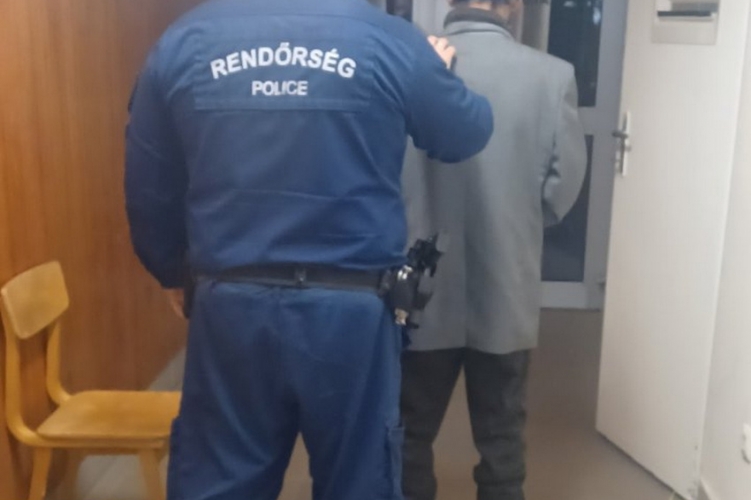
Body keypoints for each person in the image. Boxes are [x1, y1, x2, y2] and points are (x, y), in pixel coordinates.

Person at [124, 0, 493, 499]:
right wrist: (439, 72)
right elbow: (465, 133)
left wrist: (170, 268)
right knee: (358, 483)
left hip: (231, 308)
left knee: (220, 480)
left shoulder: (185, 42)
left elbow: (148, 181)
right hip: (351, 312)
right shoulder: (388, 42)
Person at [400, 1, 587, 500]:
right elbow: (561, 190)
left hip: (420, 290)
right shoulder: (552, 77)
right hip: (506, 284)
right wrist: (516, 222)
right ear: (513, 8)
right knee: (502, 442)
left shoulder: (406, 66)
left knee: (408, 436)